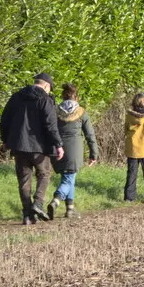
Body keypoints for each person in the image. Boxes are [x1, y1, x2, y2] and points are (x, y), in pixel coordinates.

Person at [0, 72, 63, 225]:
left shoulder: (16, 97)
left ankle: (27, 215)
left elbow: (4, 120)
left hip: (19, 145)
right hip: (40, 146)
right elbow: (51, 125)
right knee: (44, 174)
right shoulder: (45, 99)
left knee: (24, 179)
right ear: (46, 86)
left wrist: (5, 140)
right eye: (50, 89)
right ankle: (38, 203)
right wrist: (58, 144)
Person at [46, 83, 98, 219]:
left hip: (57, 149)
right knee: (68, 178)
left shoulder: (55, 110)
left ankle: (70, 209)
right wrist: (94, 154)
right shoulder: (81, 112)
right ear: (76, 96)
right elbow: (90, 135)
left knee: (69, 177)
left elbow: (49, 129)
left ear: (63, 96)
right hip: (74, 150)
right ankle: (56, 200)